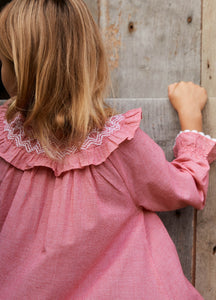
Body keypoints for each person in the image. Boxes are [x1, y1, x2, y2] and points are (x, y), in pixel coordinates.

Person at [0, 0, 215, 299]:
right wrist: (191, 117)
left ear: (17, 71)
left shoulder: (4, 145)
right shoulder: (118, 147)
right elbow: (185, 188)